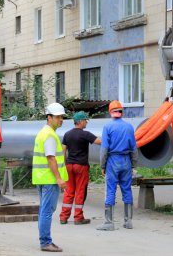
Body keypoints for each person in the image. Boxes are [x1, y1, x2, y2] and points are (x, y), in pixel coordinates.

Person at [96, 100, 138, 231]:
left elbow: (104, 149)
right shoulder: (129, 127)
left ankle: (109, 223)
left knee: (111, 190)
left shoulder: (108, 127)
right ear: (121, 112)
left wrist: (102, 165)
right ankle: (128, 221)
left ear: (110, 112)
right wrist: (133, 165)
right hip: (126, 161)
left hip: (113, 161)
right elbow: (134, 148)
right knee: (127, 189)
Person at [32, 102, 68, 252]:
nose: (61, 120)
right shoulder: (50, 136)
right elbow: (51, 158)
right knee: (47, 211)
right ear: (49, 117)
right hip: (49, 179)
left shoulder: (43, 132)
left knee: (44, 210)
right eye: (58, 117)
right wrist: (59, 179)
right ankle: (45, 242)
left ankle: (44, 240)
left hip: (42, 178)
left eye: (62, 117)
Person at [59, 111, 101, 225]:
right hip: (81, 166)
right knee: (80, 191)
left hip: (69, 165)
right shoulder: (85, 134)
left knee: (69, 191)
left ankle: (63, 217)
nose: (86, 122)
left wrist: (63, 165)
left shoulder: (67, 134)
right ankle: (78, 217)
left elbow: (63, 150)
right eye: (85, 120)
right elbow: (99, 142)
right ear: (80, 121)